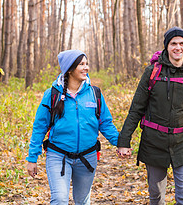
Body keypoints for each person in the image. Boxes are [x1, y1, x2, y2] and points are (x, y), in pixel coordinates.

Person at [117, 27, 183, 205]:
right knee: (156, 196)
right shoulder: (152, 73)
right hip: (154, 142)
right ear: (166, 47)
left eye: (181, 44)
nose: (177, 47)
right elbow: (136, 109)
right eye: (173, 44)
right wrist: (124, 141)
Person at [26, 50, 119, 205]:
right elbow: (39, 127)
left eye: (86, 63)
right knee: (60, 199)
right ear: (69, 69)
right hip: (58, 155)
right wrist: (32, 158)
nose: (86, 68)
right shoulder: (52, 94)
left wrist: (121, 143)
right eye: (81, 64)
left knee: (82, 201)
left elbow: (106, 123)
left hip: (87, 157)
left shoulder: (94, 93)